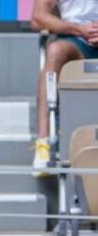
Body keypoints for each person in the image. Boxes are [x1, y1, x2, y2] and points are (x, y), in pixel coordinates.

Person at [31, 0, 98, 174]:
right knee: (55, 50)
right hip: (76, 42)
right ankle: (44, 143)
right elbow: (38, 17)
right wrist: (78, 29)